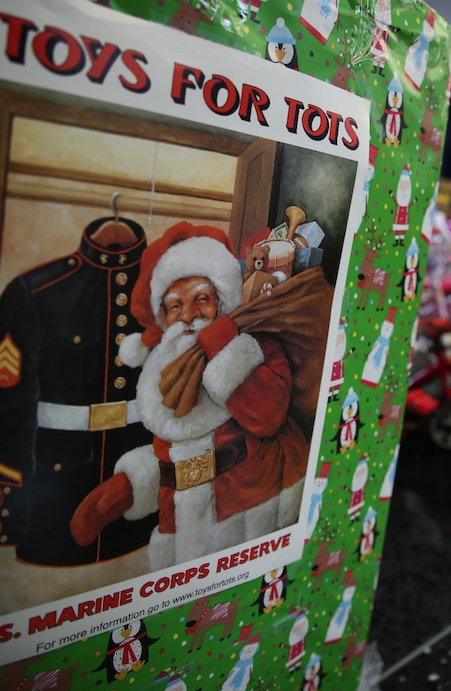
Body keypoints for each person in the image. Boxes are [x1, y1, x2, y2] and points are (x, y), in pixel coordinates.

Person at [70, 222, 309, 571]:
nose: (188, 316)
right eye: (174, 306)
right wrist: (129, 487)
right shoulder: (166, 368)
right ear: (163, 317)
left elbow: (267, 417)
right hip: (182, 521)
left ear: (221, 302)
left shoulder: (256, 349)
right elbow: (174, 452)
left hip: (251, 503)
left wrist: (220, 346)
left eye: (201, 299)